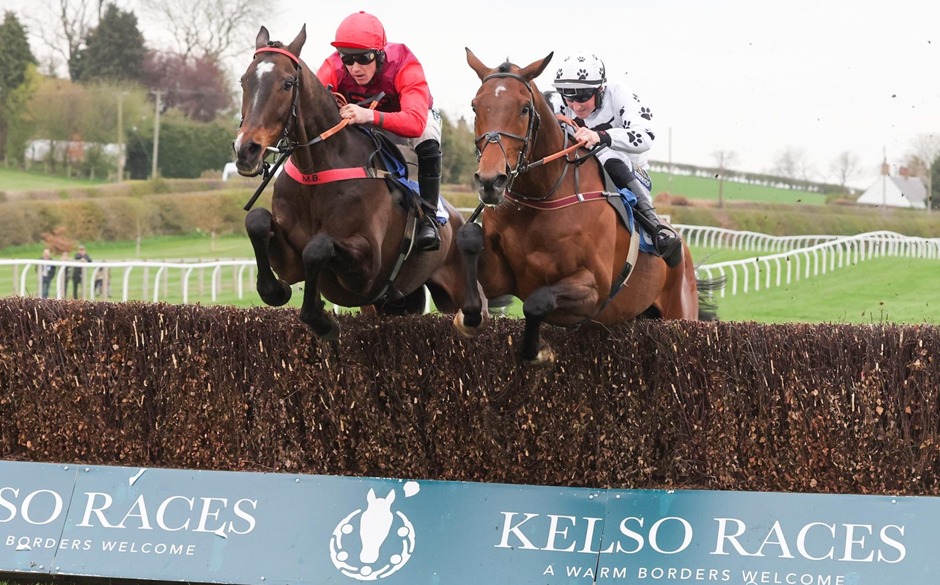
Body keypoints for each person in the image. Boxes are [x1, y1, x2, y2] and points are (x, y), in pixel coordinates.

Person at [316, 10, 442, 251]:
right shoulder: (332, 66)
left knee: (427, 137)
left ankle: (429, 218)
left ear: (380, 54)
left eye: (363, 58)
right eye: (348, 59)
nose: (355, 68)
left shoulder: (406, 63)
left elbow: (415, 123)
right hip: (361, 123)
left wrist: (369, 116)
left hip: (409, 120)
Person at [548, 51, 681, 266]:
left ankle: (656, 227)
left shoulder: (619, 93)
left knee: (605, 152)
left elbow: (646, 136)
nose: (576, 106)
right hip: (580, 170)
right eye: (569, 98)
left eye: (583, 97)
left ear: (600, 89)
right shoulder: (560, 103)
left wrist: (600, 136)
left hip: (632, 172)